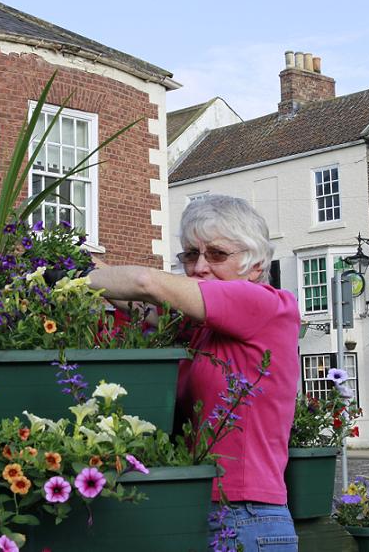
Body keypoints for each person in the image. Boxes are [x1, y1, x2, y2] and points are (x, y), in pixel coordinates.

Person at [88, 195, 300, 551]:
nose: (200, 267)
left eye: (216, 254)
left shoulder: (266, 305)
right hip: (196, 507)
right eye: (190, 255)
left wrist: (77, 278)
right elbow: (143, 309)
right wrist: (76, 262)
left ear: (256, 265)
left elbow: (145, 283)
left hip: (247, 516)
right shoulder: (201, 328)